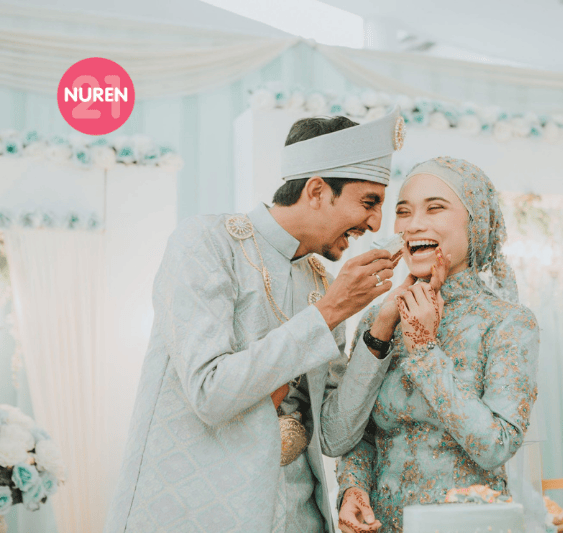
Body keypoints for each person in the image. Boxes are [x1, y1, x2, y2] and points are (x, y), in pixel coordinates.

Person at [105, 108, 415, 533]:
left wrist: (378, 330)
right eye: (368, 202)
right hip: (207, 512)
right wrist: (330, 311)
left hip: (300, 515)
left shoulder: (322, 280)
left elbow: (333, 435)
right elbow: (210, 393)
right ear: (318, 190)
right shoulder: (207, 244)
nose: (377, 222)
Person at [335, 157, 540, 533]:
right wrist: (352, 487)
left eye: (435, 208)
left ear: (474, 221)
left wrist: (425, 348)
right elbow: (359, 433)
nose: (414, 224)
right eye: (403, 211)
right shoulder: (380, 318)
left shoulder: (507, 322)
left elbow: (495, 445)